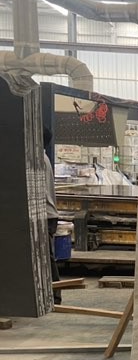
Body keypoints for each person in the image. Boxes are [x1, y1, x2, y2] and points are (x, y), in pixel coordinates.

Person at [43, 127, 61, 305]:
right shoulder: (44, 158)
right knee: (46, 256)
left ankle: (56, 295)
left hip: (46, 215)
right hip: (47, 215)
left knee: (47, 257)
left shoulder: (39, 160)